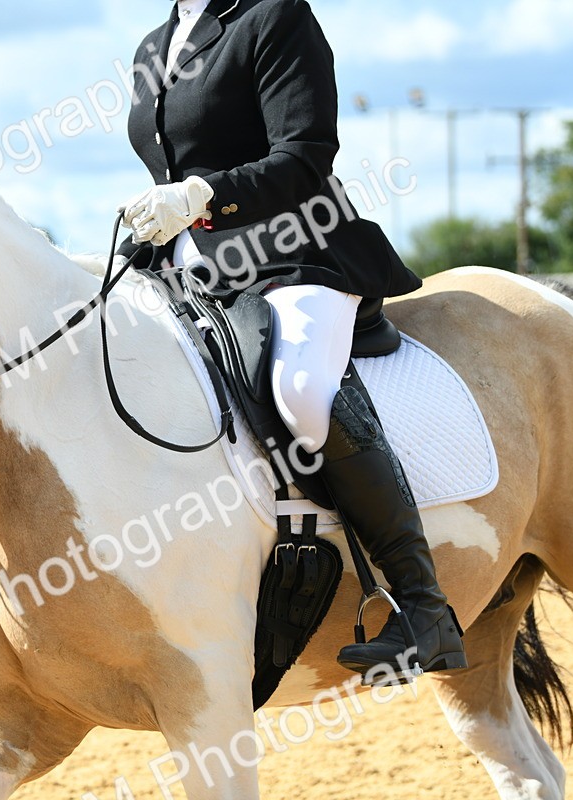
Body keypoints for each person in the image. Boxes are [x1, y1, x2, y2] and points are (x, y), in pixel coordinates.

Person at [116, 0, 467, 678]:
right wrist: (160, 217)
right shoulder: (152, 46)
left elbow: (305, 156)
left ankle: (424, 609)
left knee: (301, 390)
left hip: (293, 249)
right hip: (190, 268)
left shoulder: (274, 16)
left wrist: (199, 196)